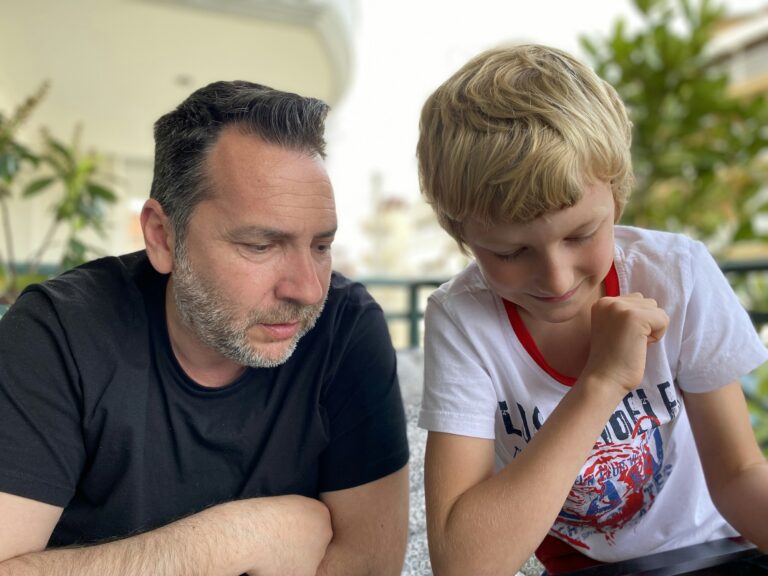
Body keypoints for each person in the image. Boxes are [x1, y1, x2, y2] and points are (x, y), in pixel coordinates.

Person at [0, 80, 410, 575]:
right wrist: (236, 539)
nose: (306, 289)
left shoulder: (345, 331)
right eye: (261, 245)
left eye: (321, 247)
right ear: (161, 237)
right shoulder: (59, 334)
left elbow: (369, 567)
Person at [415, 44, 768, 575]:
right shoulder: (461, 320)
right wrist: (602, 382)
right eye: (510, 253)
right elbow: (464, 565)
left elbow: (739, 473)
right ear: (460, 234)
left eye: (581, 234)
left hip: (714, 546)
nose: (556, 278)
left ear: (617, 199)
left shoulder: (677, 274)